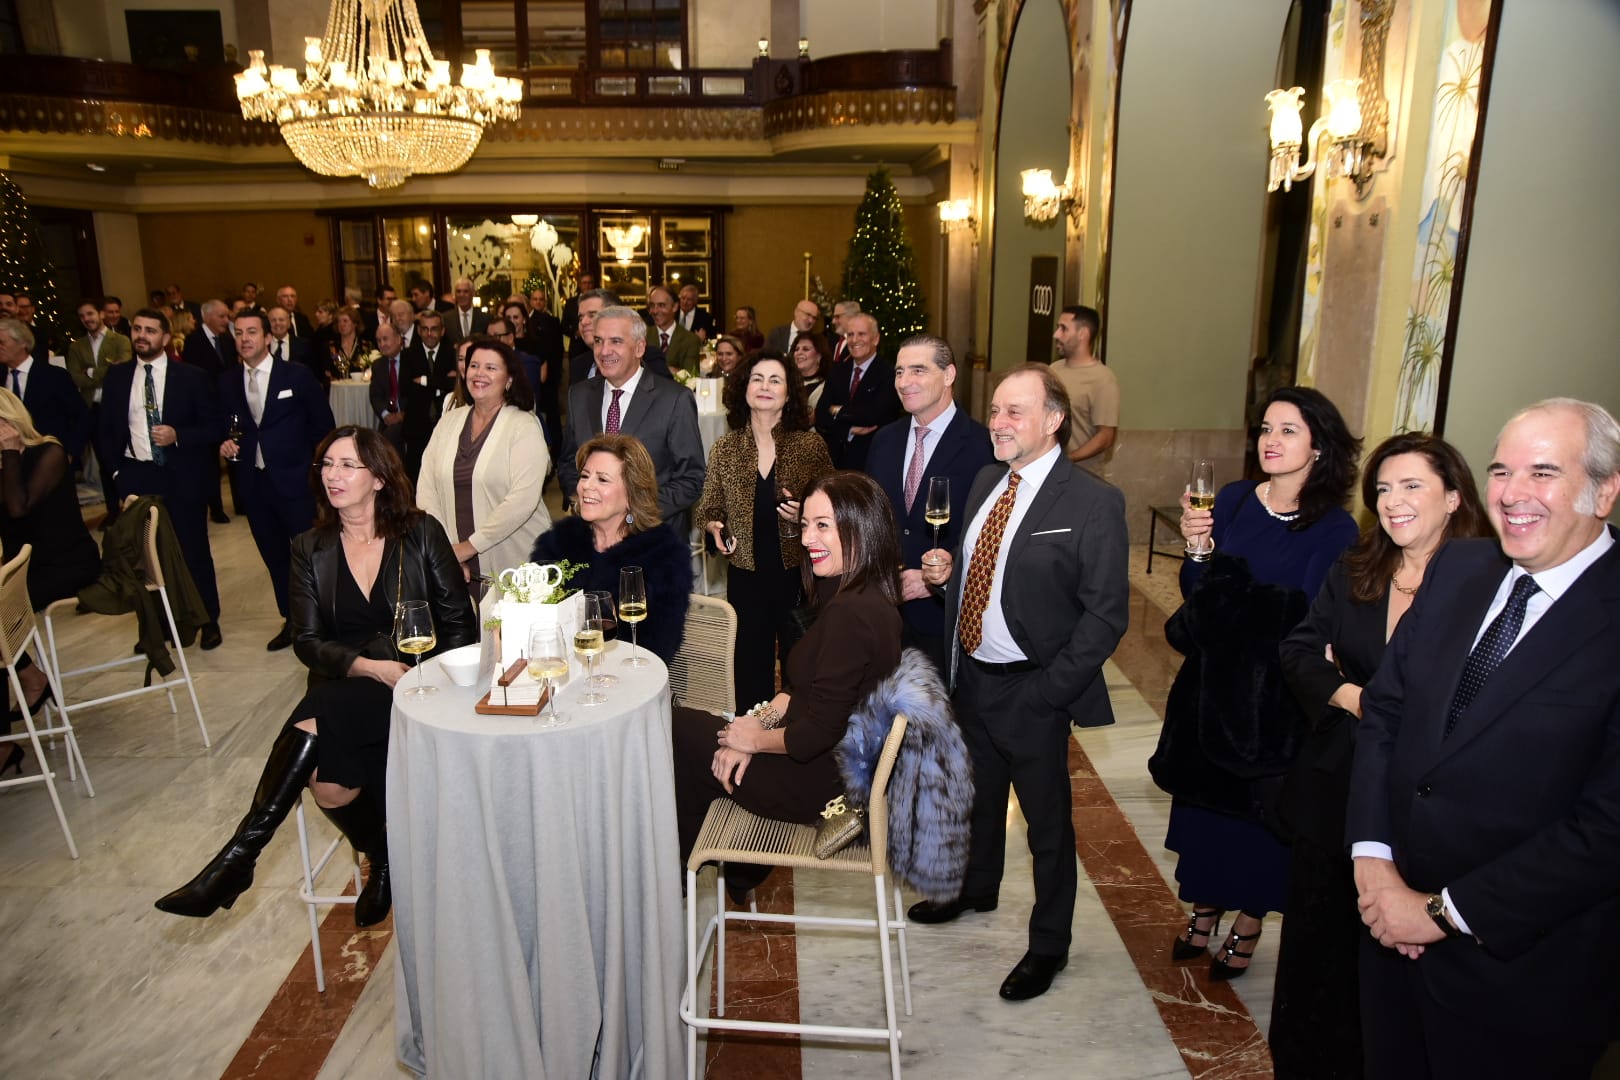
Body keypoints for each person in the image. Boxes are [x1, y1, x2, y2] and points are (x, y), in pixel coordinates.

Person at [1349, 399, 1620, 1080]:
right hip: (1389, 934)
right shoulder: (1462, 567)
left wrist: (1439, 913)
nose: (1513, 495)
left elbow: (1608, 825)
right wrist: (1374, 860)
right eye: (1501, 471)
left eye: (1544, 472)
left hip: (1527, 972)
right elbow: (1385, 711)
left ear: (1606, 490)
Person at [155, 427, 476, 926]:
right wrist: (366, 667)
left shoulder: (421, 532)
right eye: (326, 464)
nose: (333, 475)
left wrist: (425, 680)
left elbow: (460, 622)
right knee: (329, 788)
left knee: (322, 733)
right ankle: (383, 855)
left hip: (418, 682)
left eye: (347, 465)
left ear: (379, 477)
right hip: (348, 681)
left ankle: (240, 856)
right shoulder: (310, 546)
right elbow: (305, 640)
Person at [1269, 433, 1490, 1080]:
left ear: (1454, 497)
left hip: (1423, 805)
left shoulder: (1487, 585)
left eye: (1411, 486)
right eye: (1384, 490)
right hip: (1334, 789)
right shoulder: (1358, 567)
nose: (1393, 503)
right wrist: (1360, 699)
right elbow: (1299, 653)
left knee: (1392, 969)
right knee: (1317, 954)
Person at [912, 364, 1129, 1001]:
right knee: (977, 796)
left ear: (1053, 420)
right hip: (973, 674)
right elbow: (985, 565)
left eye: (1014, 412)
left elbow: (1105, 613)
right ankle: (977, 888)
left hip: (1035, 689)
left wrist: (1049, 691)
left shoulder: (1093, 502)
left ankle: (1048, 944)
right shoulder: (985, 480)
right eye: (997, 411)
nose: (998, 424)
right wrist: (946, 570)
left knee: (1047, 827)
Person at [1150, 385, 1360, 980]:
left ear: (1319, 446)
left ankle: (1248, 923)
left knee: (1261, 819)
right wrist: (1197, 549)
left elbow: (1310, 621)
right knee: (1206, 813)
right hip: (1212, 689)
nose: (1271, 440)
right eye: (1266, 429)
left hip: (1278, 702)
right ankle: (1205, 908)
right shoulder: (1236, 500)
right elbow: (1199, 596)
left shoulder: (1334, 530)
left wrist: (1230, 592)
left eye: (1288, 430)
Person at [673, 469, 903, 898]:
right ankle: (731, 870)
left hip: (817, 785)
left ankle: (681, 878)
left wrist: (754, 742)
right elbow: (806, 689)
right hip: (829, 766)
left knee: (677, 729)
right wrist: (757, 722)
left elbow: (819, 732)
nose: (808, 539)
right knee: (707, 739)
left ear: (861, 528)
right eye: (804, 526)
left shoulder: (850, 614)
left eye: (823, 526)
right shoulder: (863, 593)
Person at [697, 349, 833, 711]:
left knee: (800, 666)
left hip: (798, 575)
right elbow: (708, 507)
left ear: (789, 394)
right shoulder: (725, 449)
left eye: (776, 380)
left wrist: (805, 515)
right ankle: (750, 739)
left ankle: (794, 741)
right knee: (748, 669)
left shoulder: (810, 446)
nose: (765, 386)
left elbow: (835, 509)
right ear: (743, 388)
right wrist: (713, 527)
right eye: (757, 378)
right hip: (746, 576)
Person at [96, 308, 225, 649]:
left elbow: (214, 427)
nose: (142, 335)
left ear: (166, 338)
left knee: (191, 548)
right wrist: (117, 473)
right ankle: (157, 626)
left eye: (150, 330)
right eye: (137, 329)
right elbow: (106, 430)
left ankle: (207, 619)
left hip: (181, 474)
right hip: (136, 473)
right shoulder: (118, 377)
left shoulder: (192, 377)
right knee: (144, 557)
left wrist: (178, 434)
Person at [866, 334, 993, 672]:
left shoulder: (984, 448)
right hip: (885, 614)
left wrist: (935, 577)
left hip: (944, 618)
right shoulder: (884, 441)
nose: (905, 382)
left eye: (918, 370)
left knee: (939, 720)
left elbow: (988, 536)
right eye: (899, 372)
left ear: (949, 375)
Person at [219, 309, 336, 651]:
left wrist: (319, 476)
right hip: (254, 485)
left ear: (268, 337)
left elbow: (323, 428)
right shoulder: (227, 381)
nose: (244, 339)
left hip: (296, 483)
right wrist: (223, 441)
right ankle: (293, 622)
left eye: (252, 332)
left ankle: (326, 620)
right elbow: (224, 424)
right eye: (239, 333)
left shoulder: (296, 376)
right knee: (274, 557)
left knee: (311, 555)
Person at [529, 434, 691, 662]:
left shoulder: (662, 556)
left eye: (602, 480)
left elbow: (659, 648)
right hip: (562, 672)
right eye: (585, 476)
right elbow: (535, 622)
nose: (587, 486)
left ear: (631, 495)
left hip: (631, 679)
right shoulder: (559, 543)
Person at [0, 388, 101, 744]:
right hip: (21, 569)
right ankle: (27, 681)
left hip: (66, 563)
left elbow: (17, 508)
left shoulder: (49, 452)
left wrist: (10, 453)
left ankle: (28, 684)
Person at [416, 339, 550, 597]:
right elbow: (426, 487)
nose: (479, 373)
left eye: (491, 367)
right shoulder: (450, 421)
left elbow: (522, 500)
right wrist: (447, 549)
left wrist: (468, 547)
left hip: (515, 560)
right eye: (474, 365)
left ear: (509, 379)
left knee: (511, 634)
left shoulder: (524, 426)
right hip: (455, 559)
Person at [557, 306, 705, 537]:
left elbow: (691, 478)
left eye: (616, 341)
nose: (604, 351)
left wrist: (631, 514)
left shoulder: (674, 399)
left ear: (639, 347)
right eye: (598, 341)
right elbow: (568, 462)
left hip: (653, 538)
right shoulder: (579, 395)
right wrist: (584, 503)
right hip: (593, 537)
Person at [814, 313, 901, 471]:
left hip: (871, 463)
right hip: (834, 464)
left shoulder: (889, 374)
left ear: (875, 339)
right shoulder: (837, 371)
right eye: (850, 334)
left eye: (861, 334)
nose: (854, 340)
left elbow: (875, 415)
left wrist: (837, 410)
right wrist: (848, 429)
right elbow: (820, 415)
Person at [0, 318, 89, 468]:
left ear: (22, 343)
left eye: (2, 342)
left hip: (49, 462)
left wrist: (69, 454)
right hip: (10, 463)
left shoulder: (54, 376)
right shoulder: (1, 376)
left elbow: (82, 416)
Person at [1050, 305, 1119, 471]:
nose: (1056, 334)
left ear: (1083, 334)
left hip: (1083, 475)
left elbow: (1106, 437)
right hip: (1050, 475)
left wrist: (1068, 459)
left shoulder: (1103, 379)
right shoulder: (1052, 370)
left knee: (1193, 497)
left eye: (1064, 329)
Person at [368, 319, 431, 481]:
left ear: (398, 339)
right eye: (379, 340)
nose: (382, 344)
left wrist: (404, 414)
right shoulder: (378, 365)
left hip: (411, 417)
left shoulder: (412, 359)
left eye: (386, 339)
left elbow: (419, 393)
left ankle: (402, 481)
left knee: (393, 436)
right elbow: (375, 395)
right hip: (389, 419)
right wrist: (384, 414)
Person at [646, 285, 700, 375]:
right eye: (652, 305)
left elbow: (691, 377)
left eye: (661, 305)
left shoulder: (690, 340)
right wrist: (673, 370)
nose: (655, 311)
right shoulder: (642, 336)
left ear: (675, 307)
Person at [789, 332, 829, 423]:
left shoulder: (827, 387)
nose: (799, 353)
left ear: (819, 356)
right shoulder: (787, 382)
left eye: (806, 349)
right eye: (796, 349)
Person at [329, 305, 371, 375]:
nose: (341, 324)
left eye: (345, 321)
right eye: (339, 321)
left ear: (355, 323)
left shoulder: (365, 346)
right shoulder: (331, 347)